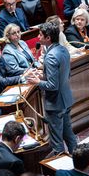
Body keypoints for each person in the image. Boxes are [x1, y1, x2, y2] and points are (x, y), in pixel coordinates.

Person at [27, 21, 77, 154]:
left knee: (57, 142)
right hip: (65, 99)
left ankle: (60, 170)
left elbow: (52, 85)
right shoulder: (63, 49)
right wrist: (43, 76)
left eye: (40, 35)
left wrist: (38, 81)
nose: (38, 37)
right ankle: (79, 161)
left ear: (48, 38)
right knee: (69, 135)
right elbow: (65, 75)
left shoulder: (50, 57)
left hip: (55, 104)